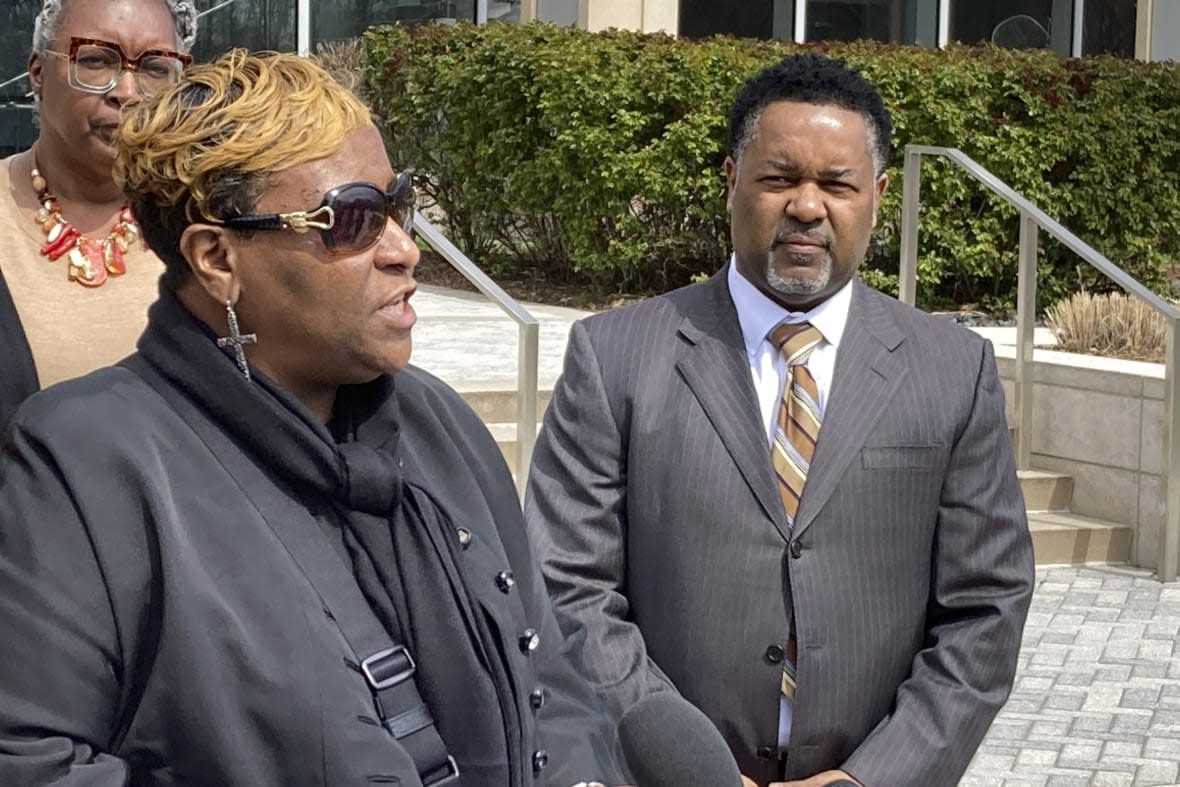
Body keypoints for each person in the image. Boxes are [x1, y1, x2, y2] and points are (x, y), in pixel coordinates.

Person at [0, 50, 625, 787]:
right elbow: (34, 760)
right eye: (351, 220)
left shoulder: (439, 424)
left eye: (400, 204)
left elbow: (548, 670)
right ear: (217, 259)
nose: (403, 249)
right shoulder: (85, 460)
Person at [525, 53, 1035, 787]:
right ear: (732, 181)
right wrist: (687, 765)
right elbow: (565, 585)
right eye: (778, 178)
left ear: (878, 195)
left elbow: (987, 605)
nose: (806, 205)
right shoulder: (615, 356)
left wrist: (876, 777)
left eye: (836, 184)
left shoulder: (954, 370)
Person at [0, 0, 196, 428]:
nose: (126, 92)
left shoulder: (207, 226)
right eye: (95, 60)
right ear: (37, 72)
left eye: (155, 68)